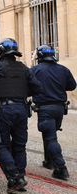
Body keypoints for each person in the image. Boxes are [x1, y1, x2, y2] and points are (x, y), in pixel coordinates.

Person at [0, 38, 42, 193]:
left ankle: (15, 176)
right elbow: (37, 88)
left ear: (0, 52)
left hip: (4, 110)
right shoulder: (24, 68)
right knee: (19, 146)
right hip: (21, 109)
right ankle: (18, 178)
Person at [31, 44, 76, 180]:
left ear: (39, 56)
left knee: (50, 137)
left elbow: (29, 86)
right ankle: (48, 161)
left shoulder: (35, 70)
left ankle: (61, 168)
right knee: (50, 133)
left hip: (45, 108)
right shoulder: (63, 69)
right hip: (59, 108)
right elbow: (72, 85)